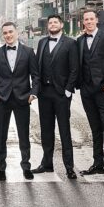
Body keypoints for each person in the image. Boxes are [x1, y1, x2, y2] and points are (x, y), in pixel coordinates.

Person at [31, 14, 80, 180]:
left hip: (61, 94)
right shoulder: (42, 42)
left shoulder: (71, 43)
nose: (52, 24)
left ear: (61, 25)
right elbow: (37, 69)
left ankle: (69, 167)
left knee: (64, 130)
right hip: (44, 93)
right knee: (46, 130)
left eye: (55, 22)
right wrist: (35, 90)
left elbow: (75, 69)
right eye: (50, 22)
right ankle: (47, 163)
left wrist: (68, 90)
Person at [0, 22, 39, 181]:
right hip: (2, 99)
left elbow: (35, 75)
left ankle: (26, 166)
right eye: (5, 33)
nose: (8, 35)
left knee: (24, 135)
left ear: (16, 32)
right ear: (2, 35)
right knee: (1, 135)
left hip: (22, 98)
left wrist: (33, 93)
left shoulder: (29, 52)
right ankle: (1, 168)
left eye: (10, 32)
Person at [76, 9, 104, 182]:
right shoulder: (79, 41)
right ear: (83, 22)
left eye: (91, 19)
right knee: (95, 128)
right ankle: (98, 164)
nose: (88, 21)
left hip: (102, 90)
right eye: (86, 19)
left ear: (97, 20)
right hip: (86, 91)